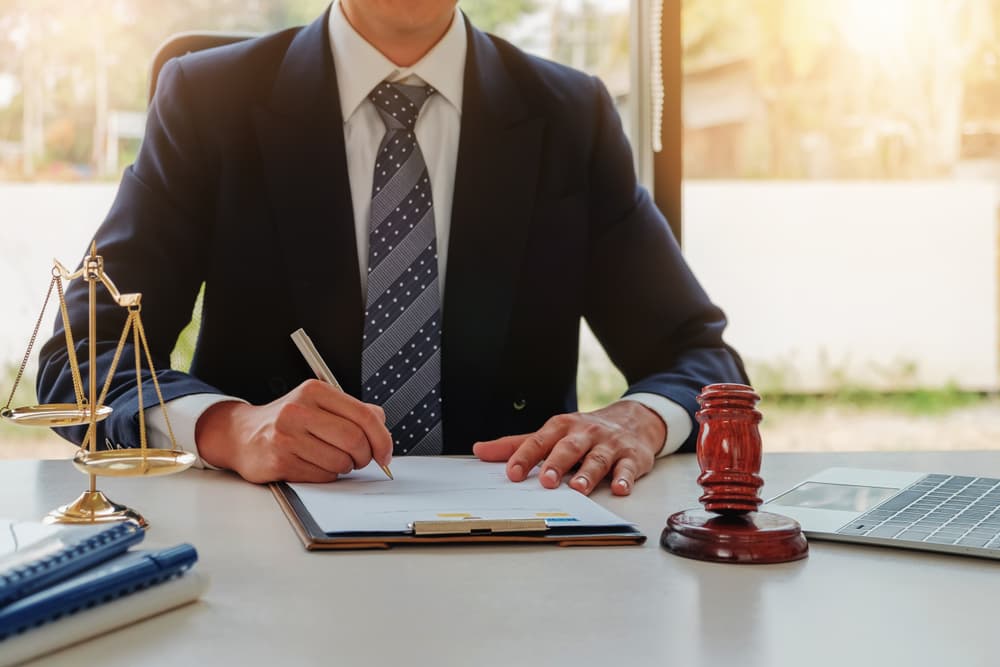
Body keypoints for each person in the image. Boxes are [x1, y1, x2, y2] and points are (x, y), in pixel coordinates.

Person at [37, 0, 746, 495]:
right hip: (266, 549)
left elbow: (700, 360)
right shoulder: (207, 101)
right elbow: (80, 360)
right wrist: (230, 427)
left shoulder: (571, 116)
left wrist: (642, 418)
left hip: (519, 550)